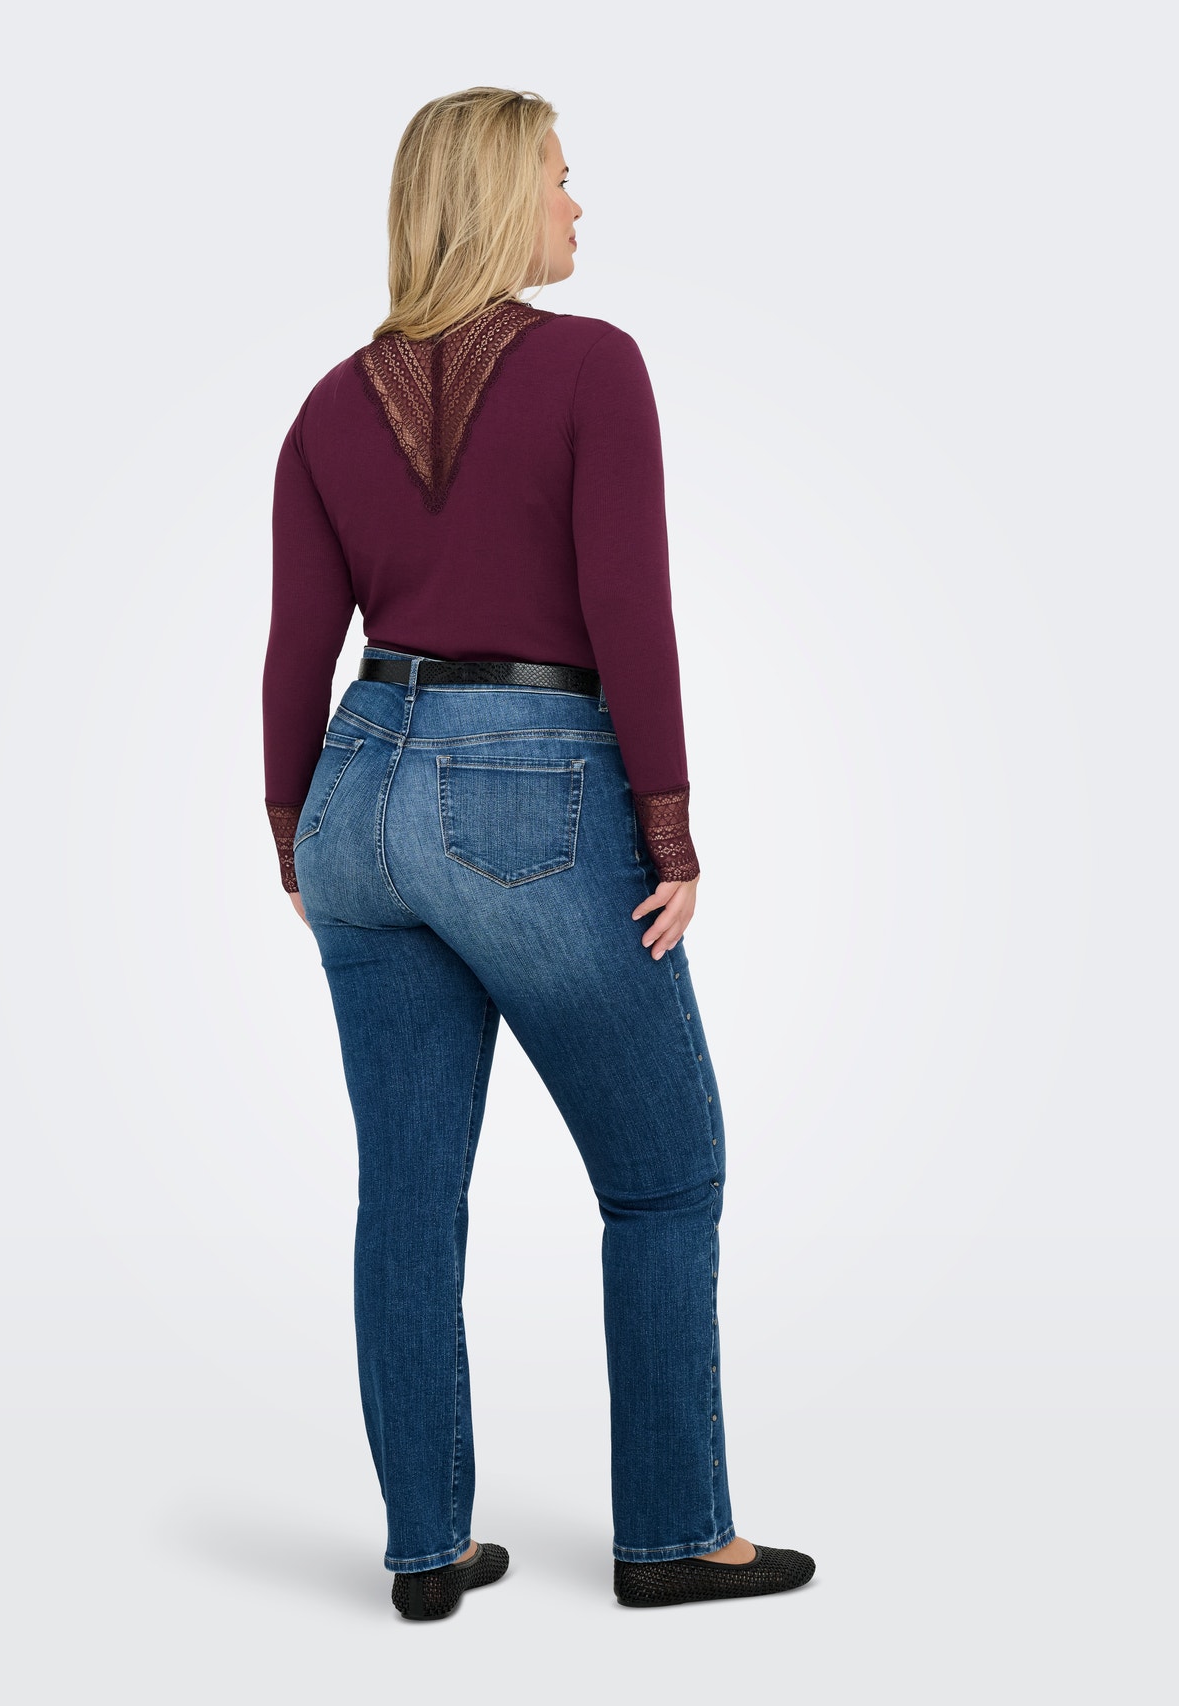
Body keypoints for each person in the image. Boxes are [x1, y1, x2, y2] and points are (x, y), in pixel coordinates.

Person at [261, 86, 815, 1619]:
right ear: (503, 199)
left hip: (360, 790)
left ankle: (425, 1547)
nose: (579, 206)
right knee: (665, 1177)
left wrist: (295, 833)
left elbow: (297, 645)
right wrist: (670, 826)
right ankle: (675, 1534)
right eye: (562, 179)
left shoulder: (326, 407)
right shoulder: (590, 365)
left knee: (407, 1195)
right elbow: (627, 600)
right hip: (528, 784)